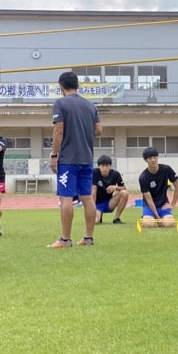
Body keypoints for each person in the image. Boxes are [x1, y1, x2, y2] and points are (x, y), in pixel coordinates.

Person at [48, 71, 102, 248]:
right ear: (77, 85)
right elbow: (99, 130)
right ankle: (88, 237)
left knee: (66, 198)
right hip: (86, 158)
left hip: (68, 160)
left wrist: (54, 155)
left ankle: (65, 239)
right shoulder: (90, 105)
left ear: (61, 87)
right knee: (87, 198)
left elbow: (58, 131)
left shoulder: (60, 104)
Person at [137, 147, 178, 228]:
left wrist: (173, 204)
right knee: (149, 225)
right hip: (149, 206)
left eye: (155, 157)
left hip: (163, 204)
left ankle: (157, 218)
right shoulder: (143, 177)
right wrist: (158, 218)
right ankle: (147, 217)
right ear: (146, 160)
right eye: (150, 158)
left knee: (169, 224)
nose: (153, 160)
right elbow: (149, 199)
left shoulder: (166, 169)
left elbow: (177, 186)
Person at [92, 155, 129, 224]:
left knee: (124, 193)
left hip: (109, 203)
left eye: (107, 166)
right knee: (95, 222)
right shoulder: (94, 173)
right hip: (97, 204)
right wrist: (92, 207)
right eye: (102, 166)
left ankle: (116, 218)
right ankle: (98, 216)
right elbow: (93, 191)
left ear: (110, 166)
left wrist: (115, 187)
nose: (105, 168)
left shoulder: (115, 174)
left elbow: (124, 188)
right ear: (99, 166)